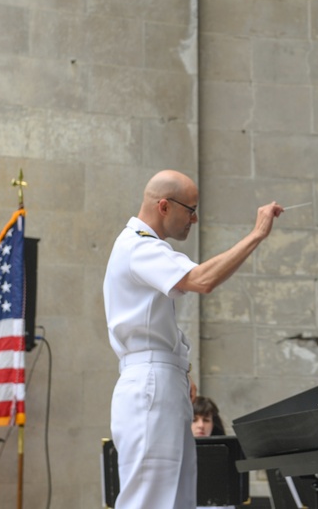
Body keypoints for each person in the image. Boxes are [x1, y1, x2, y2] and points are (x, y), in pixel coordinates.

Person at [104, 170, 283, 509]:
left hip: (159, 376)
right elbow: (202, 280)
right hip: (150, 380)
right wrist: (256, 234)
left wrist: (176, 370)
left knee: (176, 499)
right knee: (151, 499)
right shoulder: (138, 247)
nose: (195, 218)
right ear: (164, 206)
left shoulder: (142, 246)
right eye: (191, 209)